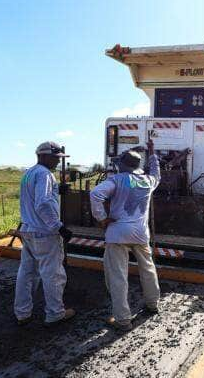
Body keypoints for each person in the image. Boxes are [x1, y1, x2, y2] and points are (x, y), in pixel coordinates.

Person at [90, 140, 161, 331]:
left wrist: (102, 218)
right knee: (148, 268)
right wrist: (152, 152)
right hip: (140, 233)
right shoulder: (148, 181)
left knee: (118, 276)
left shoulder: (116, 180)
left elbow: (96, 194)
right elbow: (156, 173)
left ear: (123, 164)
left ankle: (123, 320)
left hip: (118, 233)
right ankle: (153, 304)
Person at [14, 141, 75, 326]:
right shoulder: (45, 174)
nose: (57, 162)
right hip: (44, 233)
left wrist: (57, 190)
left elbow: (36, 197)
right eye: (56, 158)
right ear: (44, 156)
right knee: (53, 274)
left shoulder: (29, 173)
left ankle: (22, 313)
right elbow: (43, 203)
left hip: (28, 230)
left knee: (27, 273)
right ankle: (55, 313)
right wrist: (59, 227)